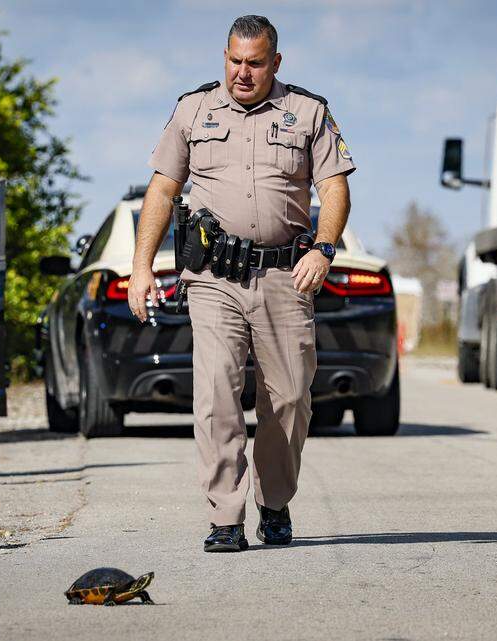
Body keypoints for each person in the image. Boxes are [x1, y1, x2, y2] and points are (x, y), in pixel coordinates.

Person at [130, 14, 354, 552]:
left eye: (255, 63)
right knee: (215, 393)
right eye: (234, 61)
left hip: (285, 275)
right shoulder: (193, 110)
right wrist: (142, 268)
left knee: (291, 397)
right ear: (223, 57)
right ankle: (225, 516)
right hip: (212, 277)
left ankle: (273, 504)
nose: (243, 73)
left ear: (275, 62)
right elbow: (162, 191)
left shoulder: (308, 112)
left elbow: (335, 185)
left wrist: (324, 249)